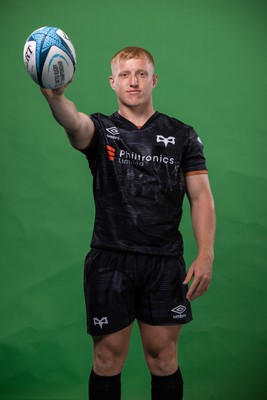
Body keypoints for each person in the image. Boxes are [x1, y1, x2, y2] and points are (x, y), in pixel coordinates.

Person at [40, 46, 216, 400]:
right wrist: (55, 96)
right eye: (124, 75)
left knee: (163, 359)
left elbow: (201, 197)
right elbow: (73, 122)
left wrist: (206, 253)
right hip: (110, 260)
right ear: (112, 82)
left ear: (154, 80)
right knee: (106, 359)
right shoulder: (102, 130)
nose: (133, 82)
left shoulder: (182, 135)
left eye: (140, 74)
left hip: (164, 262)